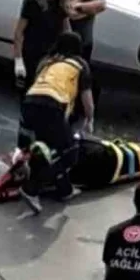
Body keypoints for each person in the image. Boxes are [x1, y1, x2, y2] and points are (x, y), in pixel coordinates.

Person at [16, 31, 94, 214]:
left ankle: (65, 190)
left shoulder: (46, 62)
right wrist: (90, 119)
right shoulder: (79, 65)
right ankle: (31, 189)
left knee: (45, 149)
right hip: (52, 106)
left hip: (29, 103)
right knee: (69, 152)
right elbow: (87, 100)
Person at [62, 0, 106, 117]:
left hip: (86, 40)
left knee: (85, 77)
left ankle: (82, 113)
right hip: (69, 42)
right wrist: (89, 8)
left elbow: (102, 4)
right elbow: (69, 11)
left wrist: (81, 6)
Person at [12, 0, 75, 91]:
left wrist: (66, 54)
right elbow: (19, 33)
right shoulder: (31, 3)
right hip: (31, 57)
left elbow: (67, 32)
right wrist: (18, 59)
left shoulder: (60, 5)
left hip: (52, 58)